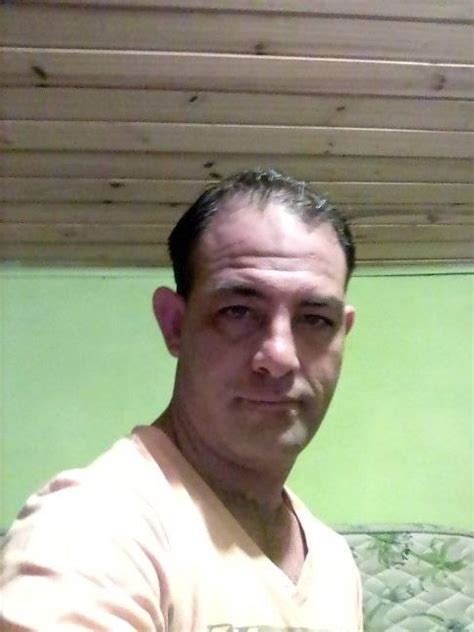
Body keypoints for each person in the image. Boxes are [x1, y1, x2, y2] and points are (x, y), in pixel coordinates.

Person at [1, 169, 362, 631]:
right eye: (238, 311)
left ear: (343, 333)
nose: (280, 357)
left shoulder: (333, 562)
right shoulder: (88, 530)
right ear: (174, 325)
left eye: (315, 320)